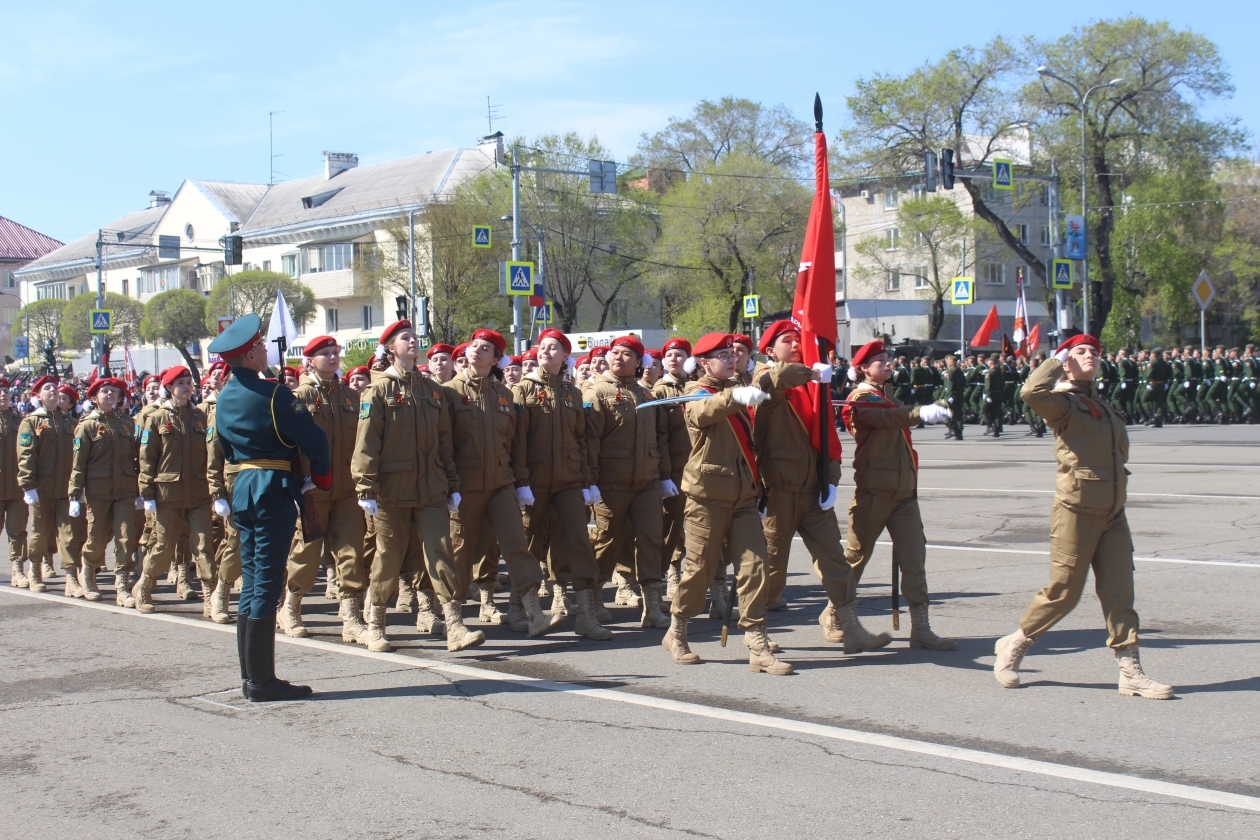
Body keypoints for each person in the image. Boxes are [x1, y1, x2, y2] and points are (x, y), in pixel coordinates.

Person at [994, 334, 1172, 699]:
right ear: (1066, 360)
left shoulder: (1105, 407)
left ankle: (1130, 671)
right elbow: (1029, 393)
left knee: (1120, 592)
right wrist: (1056, 361)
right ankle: (1015, 644)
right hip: (1076, 511)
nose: (1090, 356)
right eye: (1081, 352)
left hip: (1113, 514)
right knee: (1063, 593)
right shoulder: (1062, 404)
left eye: (1094, 352)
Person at [208, 314, 332, 702]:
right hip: (272, 486)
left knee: (252, 579)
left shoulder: (225, 394)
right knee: (266, 582)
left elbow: (226, 448)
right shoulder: (274, 393)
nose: (265, 350)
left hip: (243, 485)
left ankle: (252, 676)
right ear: (248, 355)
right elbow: (315, 440)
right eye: (259, 346)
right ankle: (262, 681)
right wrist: (322, 479)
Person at [752, 321, 892, 651]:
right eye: (789, 340)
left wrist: (830, 479)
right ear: (771, 350)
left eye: (799, 339)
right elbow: (774, 379)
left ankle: (850, 625)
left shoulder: (813, 385)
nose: (797, 344)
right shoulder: (764, 378)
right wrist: (814, 373)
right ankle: (757, 630)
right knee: (770, 567)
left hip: (812, 488)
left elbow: (825, 435)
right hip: (778, 488)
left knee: (834, 560)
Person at [664, 332, 792, 674]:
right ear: (704, 362)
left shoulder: (739, 387)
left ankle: (757, 641)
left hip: (744, 498)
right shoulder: (696, 392)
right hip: (707, 498)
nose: (731, 359)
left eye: (732, 353)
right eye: (722, 355)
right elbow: (705, 412)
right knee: (699, 571)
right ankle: (677, 629)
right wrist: (736, 395)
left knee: (755, 566)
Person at [353, 319, 481, 651]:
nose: (412, 342)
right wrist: (365, 487)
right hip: (391, 490)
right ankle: (375, 625)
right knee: (389, 556)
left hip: (431, 488)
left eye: (414, 337)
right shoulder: (378, 389)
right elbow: (367, 443)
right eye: (404, 338)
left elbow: (444, 442)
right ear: (391, 348)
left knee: (441, 551)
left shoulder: (431, 390)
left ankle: (454, 625)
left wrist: (452, 482)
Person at [444, 328, 562, 637]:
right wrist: (448, 483)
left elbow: (513, 443)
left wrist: (519, 481)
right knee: (460, 550)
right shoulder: (448, 392)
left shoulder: (503, 396)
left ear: (496, 358)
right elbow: (441, 443)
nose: (477, 350)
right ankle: (454, 620)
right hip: (463, 485)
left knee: (516, 545)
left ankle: (534, 612)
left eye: (485, 348)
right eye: (474, 345)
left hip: (500, 484)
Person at [840, 340, 955, 650]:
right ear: (863, 368)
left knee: (914, 560)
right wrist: (922, 412)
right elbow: (886, 420)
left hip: (903, 492)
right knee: (856, 559)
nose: (887, 364)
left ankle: (921, 628)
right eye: (879, 360)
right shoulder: (862, 398)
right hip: (875, 490)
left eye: (887, 359)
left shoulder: (884, 396)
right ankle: (836, 615)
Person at [512, 328, 611, 640]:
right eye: (543, 347)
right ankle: (520, 607)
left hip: (568, 481)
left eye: (554, 348)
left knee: (578, 542)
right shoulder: (524, 389)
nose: (546, 352)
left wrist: (586, 480)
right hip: (535, 481)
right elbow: (517, 441)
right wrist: (520, 481)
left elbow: (581, 440)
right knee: (530, 542)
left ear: (565, 356)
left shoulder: (572, 393)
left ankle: (585, 614)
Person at [278, 336, 368, 640]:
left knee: (351, 550)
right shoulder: (298, 397)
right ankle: (290, 608)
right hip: (312, 488)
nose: (332, 358)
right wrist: (295, 484)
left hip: (346, 487)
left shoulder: (351, 397)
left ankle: (351, 617)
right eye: (325, 354)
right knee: (307, 550)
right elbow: (288, 446)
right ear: (309, 361)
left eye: (335, 353)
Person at [583, 334, 675, 628]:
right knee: (607, 539)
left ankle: (651, 605)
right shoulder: (596, 393)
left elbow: (660, 438)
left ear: (639, 362)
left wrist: (663, 477)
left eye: (626, 354)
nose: (618, 358)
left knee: (650, 539)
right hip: (610, 482)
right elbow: (589, 441)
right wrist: (590, 481)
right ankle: (595, 597)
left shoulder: (647, 395)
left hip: (646, 481)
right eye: (615, 353)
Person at [132, 367, 215, 615]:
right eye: (181, 383)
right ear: (168, 388)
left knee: (203, 545)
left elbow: (210, 454)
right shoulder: (156, 418)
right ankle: (144, 587)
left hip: (199, 492)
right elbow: (147, 458)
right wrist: (147, 494)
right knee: (163, 546)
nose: (187, 387)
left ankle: (210, 597)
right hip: (168, 494)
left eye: (189, 382)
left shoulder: (200, 416)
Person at [68, 377, 139, 607]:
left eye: (114, 392)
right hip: (98, 490)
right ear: (94, 397)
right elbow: (79, 463)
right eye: (105, 391)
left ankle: (122, 586)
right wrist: (75, 494)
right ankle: (87, 572)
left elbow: (135, 459)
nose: (110, 395)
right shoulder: (87, 426)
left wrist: (139, 489)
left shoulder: (127, 424)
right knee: (97, 537)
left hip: (125, 489)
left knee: (126, 538)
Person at [18, 375, 86, 598]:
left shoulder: (69, 422)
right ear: (38, 395)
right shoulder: (31, 422)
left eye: (55, 388)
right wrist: (28, 485)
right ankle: (35, 570)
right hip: (42, 488)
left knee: (69, 534)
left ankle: (70, 577)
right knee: (40, 532)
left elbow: (78, 456)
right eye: (47, 388)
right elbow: (26, 455)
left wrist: (78, 487)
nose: (53, 391)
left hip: (66, 489)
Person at [653, 337, 692, 601]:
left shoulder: (697, 387)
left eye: (679, 355)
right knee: (672, 526)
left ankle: (716, 579)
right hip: (676, 469)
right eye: (669, 355)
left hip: (700, 466)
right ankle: (672, 570)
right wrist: (664, 473)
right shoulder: (661, 391)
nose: (673, 359)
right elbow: (660, 435)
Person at [0, 379, 30, 591]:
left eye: (6, 392)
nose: (3, 395)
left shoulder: (21, 421)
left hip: (17, 485)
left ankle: (17, 569)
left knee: (18, 530)